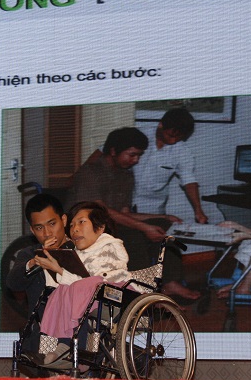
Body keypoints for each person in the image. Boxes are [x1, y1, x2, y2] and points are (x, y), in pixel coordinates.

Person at [67, 127, 201, 300]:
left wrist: (163, 218)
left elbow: (125, 214)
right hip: (85, 228)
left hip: (110, 224)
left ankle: (170, 282)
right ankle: (143, 292)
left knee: (168, 227)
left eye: (139, 155)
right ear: (113, 151)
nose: (136, 160)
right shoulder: (90, 172)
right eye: (132, 155)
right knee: (134, 236)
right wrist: (144, 227)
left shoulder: (125, 176)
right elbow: (102, 211)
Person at [32, 201, 135, 366]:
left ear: (100, 228)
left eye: (81, 222)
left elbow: (97, 279)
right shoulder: (77, 253)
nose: (74, 229)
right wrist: (53, 264)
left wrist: (60, 271)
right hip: (90, 296)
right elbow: (75, 283)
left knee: (82, 285)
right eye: (72, 225)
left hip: (115, 295)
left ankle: (76, 350)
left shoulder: (109, 246)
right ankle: (64, 345)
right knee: (63, 289)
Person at [5, 193, 70, 351]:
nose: (47, 233)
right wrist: (36, 260)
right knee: (46, 357)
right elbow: (13, 283)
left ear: (63, 220)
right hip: (43, 337)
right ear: (32, 231)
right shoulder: (29, 254)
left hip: (78, 333)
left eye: (52, 224)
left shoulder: (82, 250)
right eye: (39, 228)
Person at [133, 108, 208, 224]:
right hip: (124, 202)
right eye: (171, 135)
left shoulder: (182, 151)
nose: (173, 141)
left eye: (179, 138)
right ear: (161, 125)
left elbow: (189, 181)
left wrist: (198, 211)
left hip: (153, 208)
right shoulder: (137, 136)